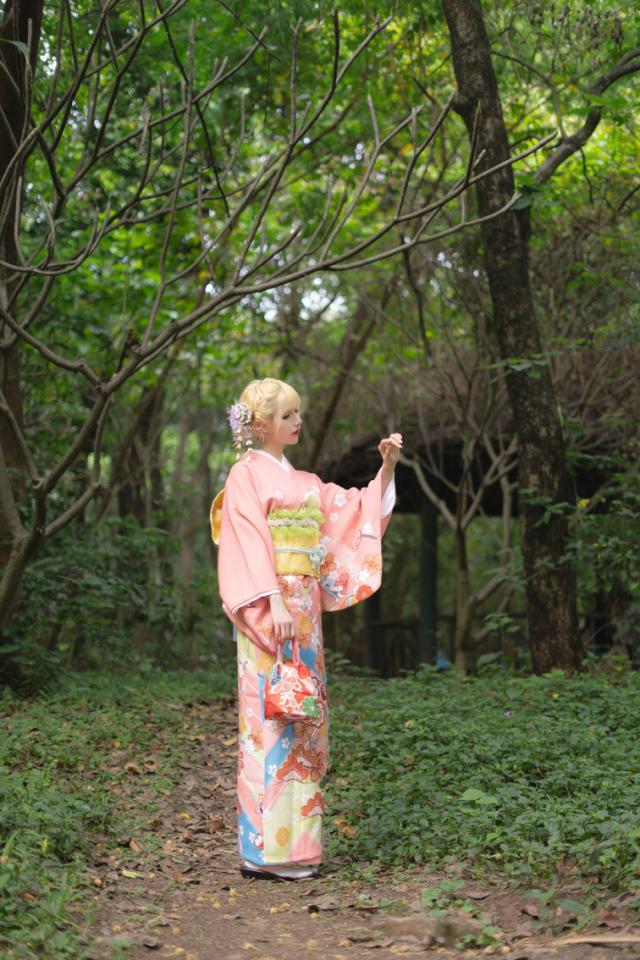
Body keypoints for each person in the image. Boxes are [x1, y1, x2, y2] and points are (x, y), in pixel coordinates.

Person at [211, 377, 401, 880]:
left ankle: (300, 850)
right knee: (268, 718)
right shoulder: (245, 475)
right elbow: (248, 539)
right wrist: (271, 599)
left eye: (297, 414)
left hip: (304, 612)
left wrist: (386, 469)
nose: (298, 422)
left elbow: (351, 510)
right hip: (268, 606)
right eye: (288, 416)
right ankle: (263, 852)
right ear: (262, 425)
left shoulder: (307, 482)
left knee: (305, 717)